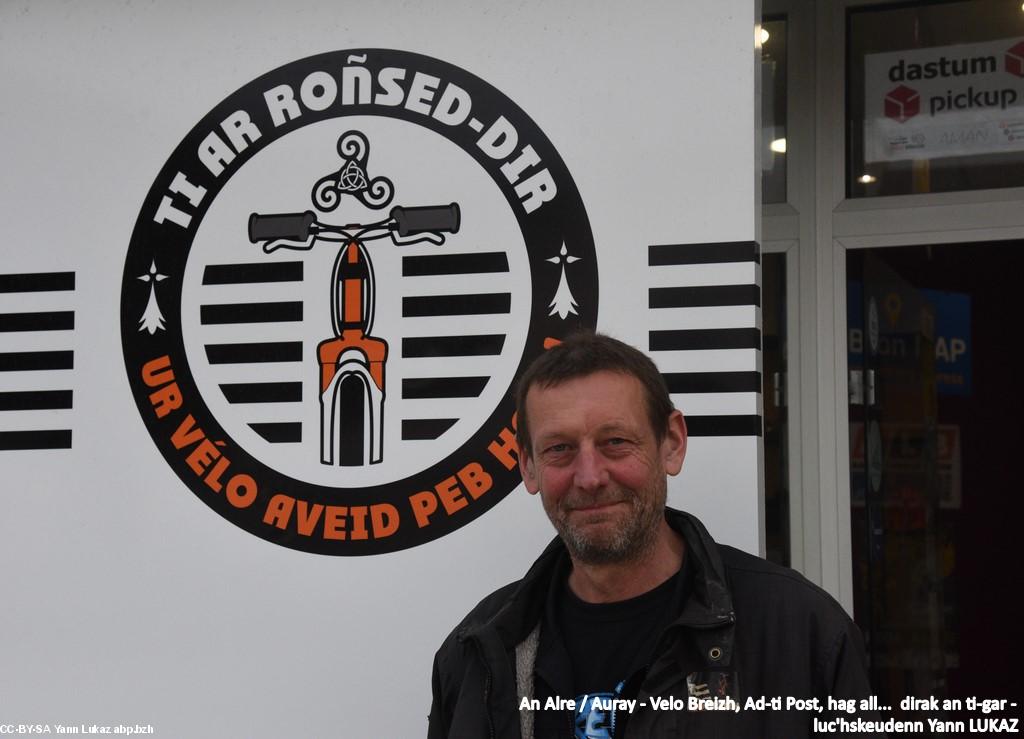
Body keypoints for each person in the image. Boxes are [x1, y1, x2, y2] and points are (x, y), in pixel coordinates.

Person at [428, 332, 875, 738]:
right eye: (560, 449)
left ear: (672, 443)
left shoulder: (801, 633)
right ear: (528, 466)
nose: (590, 477)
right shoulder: (477, 651)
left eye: (616, 442)